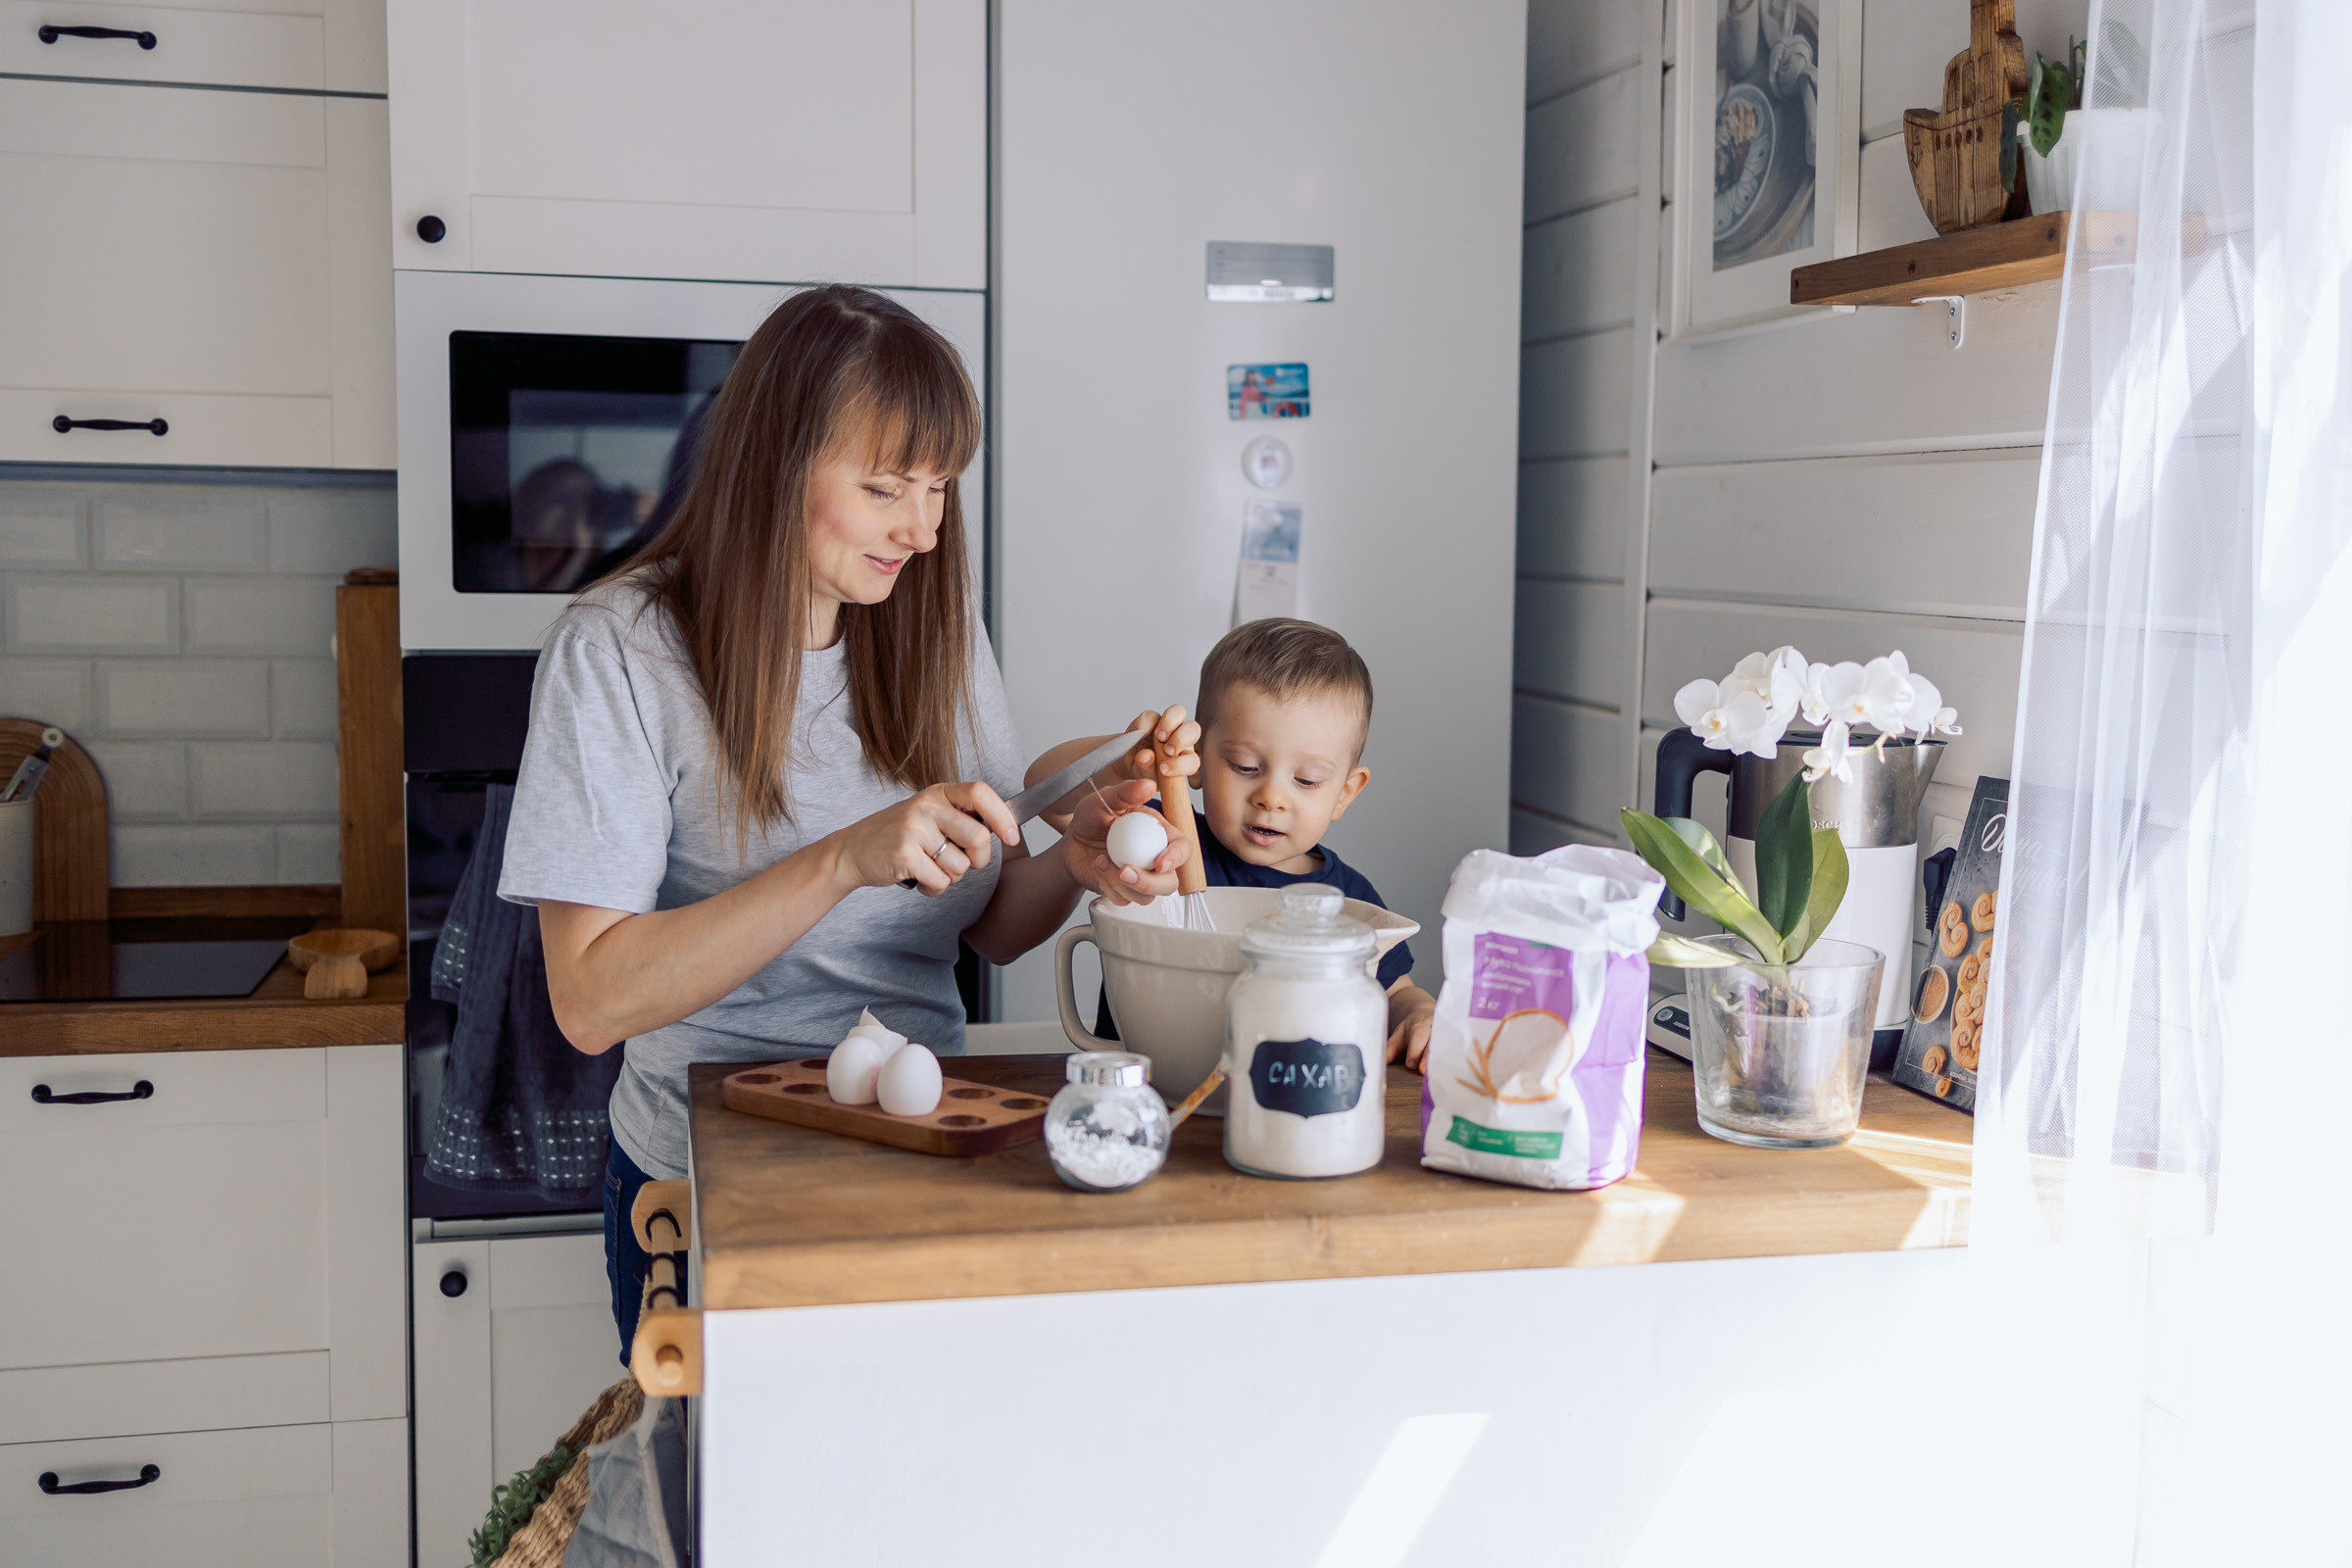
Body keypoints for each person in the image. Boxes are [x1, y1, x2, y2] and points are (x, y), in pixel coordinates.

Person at [497, 285, 1194, 1355]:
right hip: (709, 1172)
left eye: (939, 489)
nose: (920, 530)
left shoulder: (927, 627)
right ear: (774, 466)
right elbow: (590, 1000)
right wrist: (840, 862)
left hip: (924, 1149)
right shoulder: (621, 651)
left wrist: (1074, 859)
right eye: (883, 488)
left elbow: (988, 923)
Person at [1050, 617, 1439, 1067]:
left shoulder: (1347, 901)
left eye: (1306, 780)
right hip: (1146, 1093)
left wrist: (1419, 1013)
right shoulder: (1165, 840)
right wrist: (1120, 764)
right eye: (1245, 766)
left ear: (1345, 793)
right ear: (1196, 762)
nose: (1271, 798)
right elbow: (1048, 796)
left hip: (1282, 1108)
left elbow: (1397, 995)